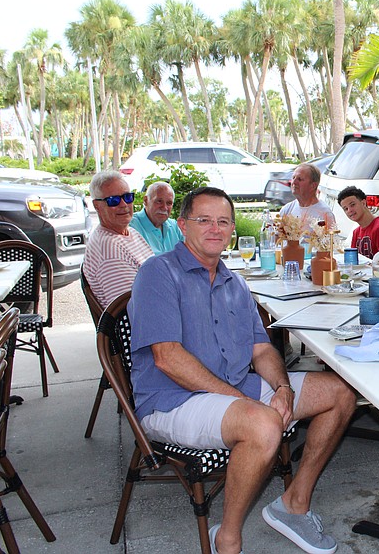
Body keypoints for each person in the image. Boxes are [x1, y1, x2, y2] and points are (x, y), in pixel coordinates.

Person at [129, 187, 357, 554]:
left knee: (341, 393)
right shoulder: (158, 273)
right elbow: (166, 357)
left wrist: (282, 389)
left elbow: (262, 348)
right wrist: (245, 401)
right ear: (183, 225)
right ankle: (228, 537)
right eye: (204, 220)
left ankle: (293, 504)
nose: (215, 229)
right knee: (262, 423)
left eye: (223, 222)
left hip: (236, 391)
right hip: (172, 401)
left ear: (233, 229)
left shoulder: (234, 281)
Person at [84, 170, 154, 308]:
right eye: (113, 200)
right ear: (97, 206)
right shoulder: (109, 250)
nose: (123, 205)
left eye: (127, 197)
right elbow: (132, 309)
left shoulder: (129, 232)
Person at [129, 181, 184, 255]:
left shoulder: (174, 227)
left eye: (169, 203)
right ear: (146, 200)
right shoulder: (131, 227)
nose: (164, 208)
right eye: (159, 201)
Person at [337, 185, 379, 258]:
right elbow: (353, 261)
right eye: (346, 209)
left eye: (352, 205)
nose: (350, 210)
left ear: (363, 203)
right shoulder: (356, 232)